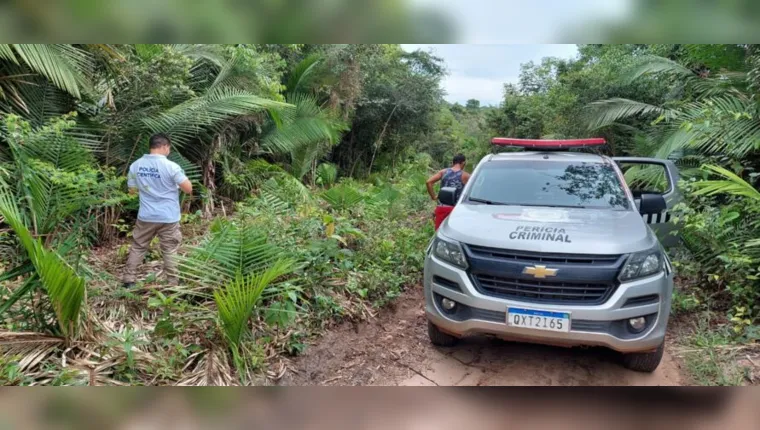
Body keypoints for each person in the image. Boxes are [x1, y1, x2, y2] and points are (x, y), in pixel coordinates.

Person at [122, 134, 193, 288]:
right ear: (165, 146)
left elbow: (132, 192)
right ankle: (173, 282)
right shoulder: (172, 166)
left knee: (138, 246)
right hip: (168, 216)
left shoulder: (135, 165)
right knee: (169, 249)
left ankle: (128, 280)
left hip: (146, 215)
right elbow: (188, 189)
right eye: (169, 148)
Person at [426, 153, 470, 230]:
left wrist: (433, 197)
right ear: (463, 163)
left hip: (441, 207)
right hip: (456, 210)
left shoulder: (443, 172)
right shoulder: (466, 176)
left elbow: (429, 182)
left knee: (439, 232)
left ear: (453, 163)